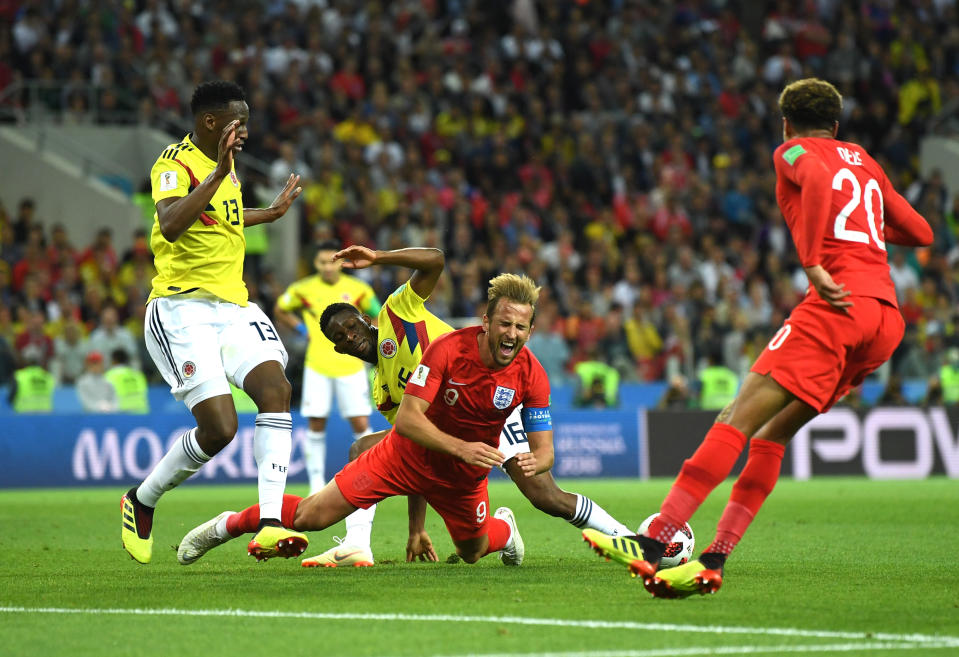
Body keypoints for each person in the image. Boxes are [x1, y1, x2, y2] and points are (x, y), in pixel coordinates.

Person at [584, 78, 933, 597]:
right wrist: (866, 231)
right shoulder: (863, 160)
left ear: (786, 123)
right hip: (884, 319)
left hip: (836, 308)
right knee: (772, 436)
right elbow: (922, 233)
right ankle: (713, 560)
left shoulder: (793, 150)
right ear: (836, 125)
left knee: (735, 420)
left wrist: (814, 262)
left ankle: (654, 542)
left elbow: (813, 176)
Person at [179, 253, 631, 567]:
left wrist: (376, 258)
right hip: (433, 447)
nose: (349, 338)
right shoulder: (398, 382)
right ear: (488, 322)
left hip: (484, 433)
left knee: (519, 514)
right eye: (339, 338)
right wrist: (417, 525)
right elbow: (414, 430)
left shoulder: (403, 316)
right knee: (317, 507)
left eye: (351, 327)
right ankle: (231, 525)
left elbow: (434, 258)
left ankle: (591, 538)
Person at [120, 80, 305, 564]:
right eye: (236, 121)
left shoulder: (226, 166)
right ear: (209, 121)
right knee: (220, 428)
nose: (243, 131)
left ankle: (269, 523)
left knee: (276, 390)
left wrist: (269, 213)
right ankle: (141, 499)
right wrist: (220, 172)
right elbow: (173, 223)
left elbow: (222, 217)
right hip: (181, 308)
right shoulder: (172, 162)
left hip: (233, 306)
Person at [274, 239, 380, 494]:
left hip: (352, 367)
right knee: (315, 425)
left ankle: (372, 478)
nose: (328, 267)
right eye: (322, 262)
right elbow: (280, 308)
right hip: (317, 366)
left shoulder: (359, 289)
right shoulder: (303, 289)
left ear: (341, 262)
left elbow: (377, 313)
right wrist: (301, 329)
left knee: (360, 423)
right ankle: (315, 486)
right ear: (315, 263)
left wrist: (368, 340)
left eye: (332, 261)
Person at [104, 348, 149, 413]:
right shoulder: (138, 375)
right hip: (141, 412)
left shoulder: (109, 375)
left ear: (114, 360)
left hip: (121, 413)